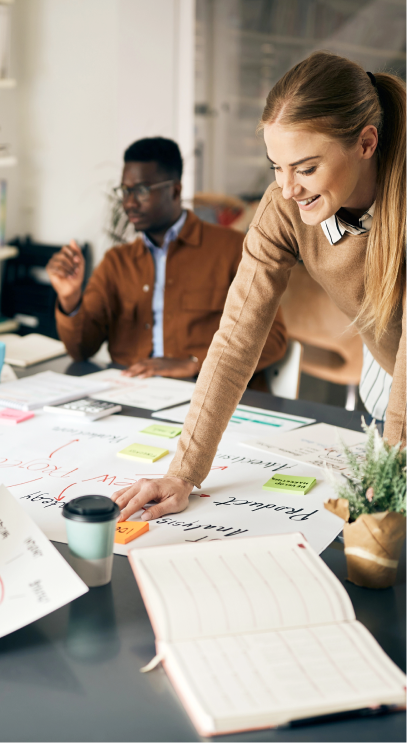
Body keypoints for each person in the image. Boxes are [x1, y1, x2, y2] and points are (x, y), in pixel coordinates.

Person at [114, 51, 407, 522]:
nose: (288, 188)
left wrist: (393, 475)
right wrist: (184, 472)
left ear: (366, 143)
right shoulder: (284, 207)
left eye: (306, 168)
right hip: (389, 368)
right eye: (277, 166)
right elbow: (237, 337)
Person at [46, 137, 287, 380]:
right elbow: (80, 350)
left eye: (140, 191)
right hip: (132, 394)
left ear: (175, 190)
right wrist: (70, 298)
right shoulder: (116, 262)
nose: (129, 203)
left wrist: (196, 363)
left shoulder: (233, 249)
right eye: (125, 191)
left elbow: (273, 337)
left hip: (206, 394)